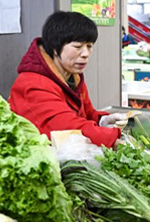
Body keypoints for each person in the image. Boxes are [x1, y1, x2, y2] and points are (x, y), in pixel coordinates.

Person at [9, 11, 126, 147]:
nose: (86, 54)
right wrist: (112, 140)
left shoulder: (72, 76)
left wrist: (102, 120)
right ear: (54, 47)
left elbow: (87, 113)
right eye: (77, 47)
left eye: (89, 46)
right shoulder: (32, 84)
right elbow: (67, 127)